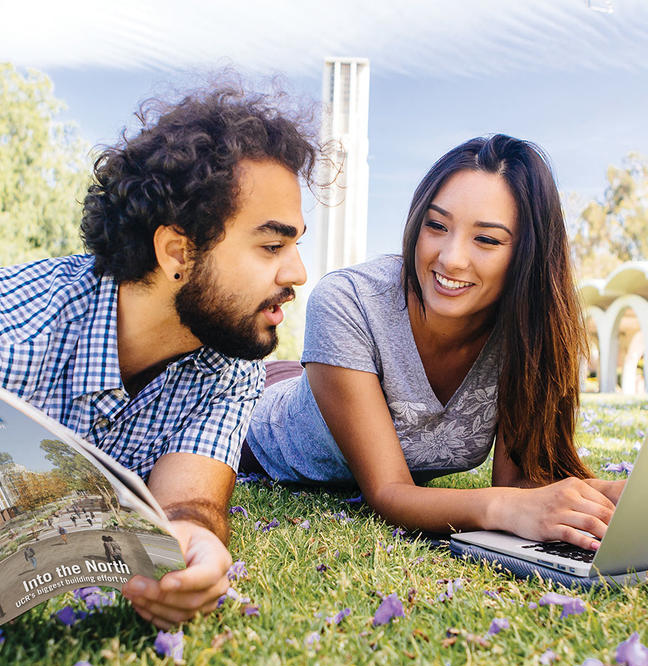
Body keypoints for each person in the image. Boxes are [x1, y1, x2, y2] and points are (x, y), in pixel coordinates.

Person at [0, 84, 314, 650]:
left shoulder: (229, 362)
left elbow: (191, 502)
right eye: (272, 246)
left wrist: (195, 543)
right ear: (177, 252)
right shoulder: (7, 330)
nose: (298, 273)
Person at [243, 134, 625, 549]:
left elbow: (519, 484)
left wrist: (607, 497)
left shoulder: (525, 333)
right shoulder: (348, 301)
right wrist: (500, 508)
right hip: (260, 423)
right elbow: (389, 493)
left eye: (487, 239)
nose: (451, 258)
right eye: (437, 226)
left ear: (527, 253)